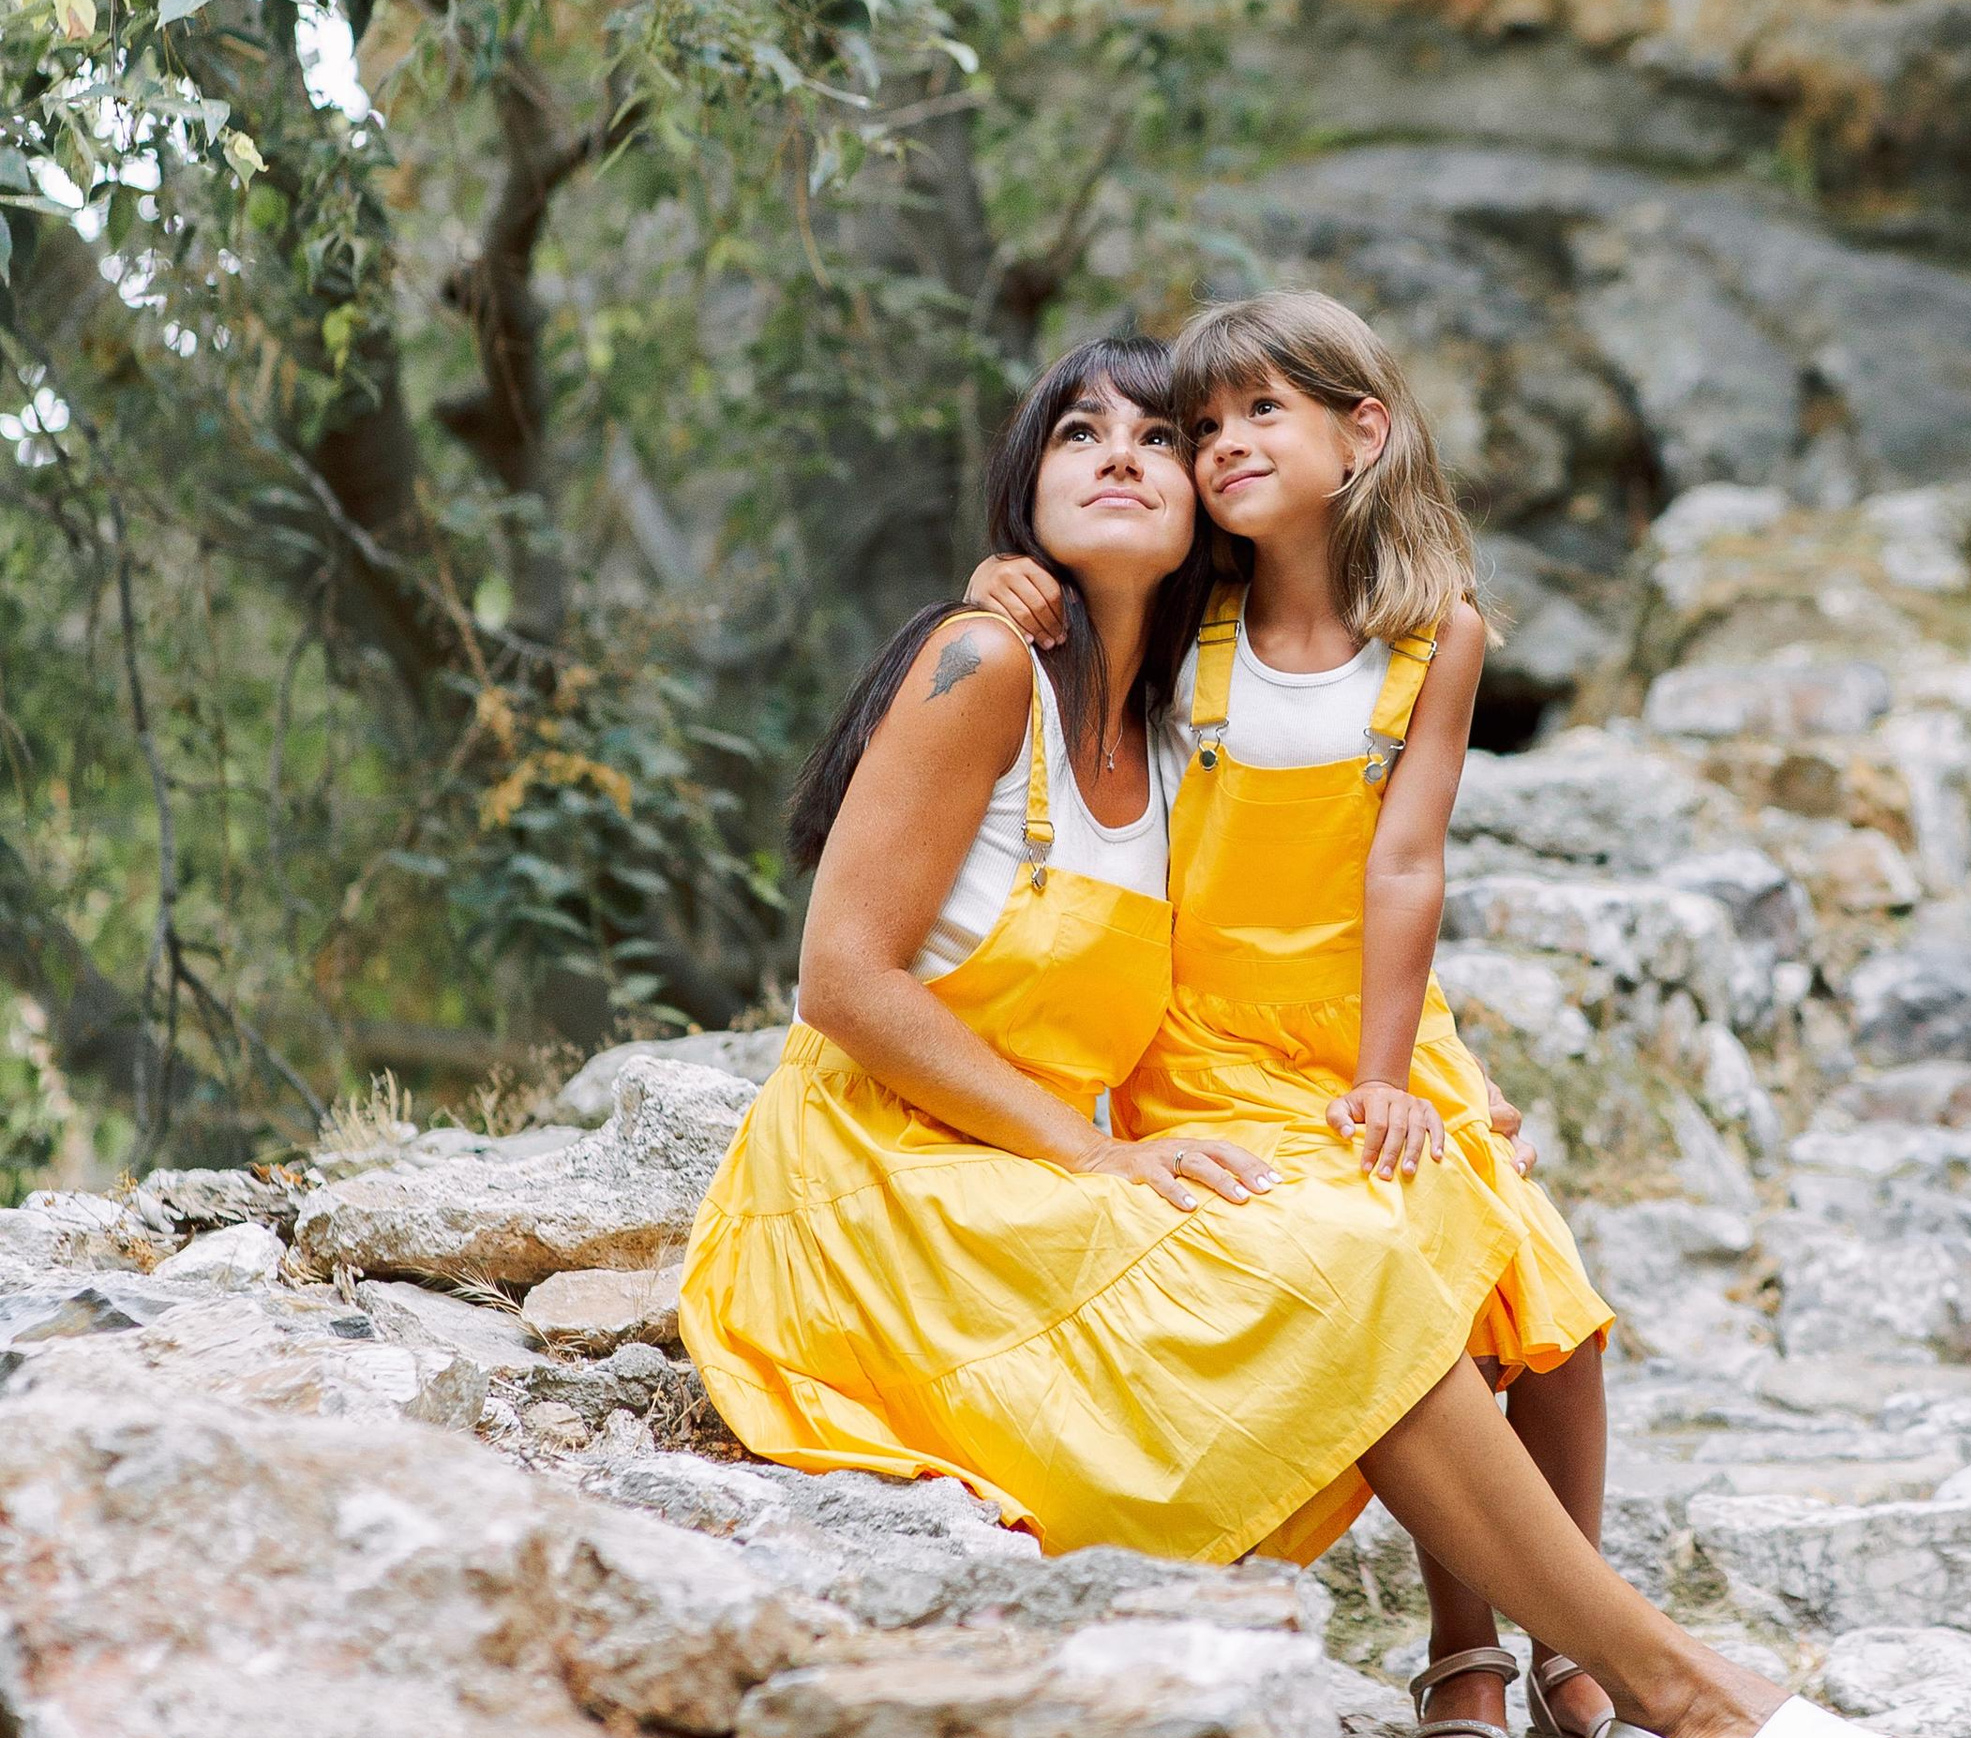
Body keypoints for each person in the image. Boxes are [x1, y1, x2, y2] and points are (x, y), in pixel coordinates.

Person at [684, 335, 1849, 1738]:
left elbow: (1325, 910)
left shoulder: (1179, 724)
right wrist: (1093, 1157)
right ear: (1022, 491)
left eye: (1152, 439)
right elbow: (842, 984)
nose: (1120, 455)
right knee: (1329, 1263)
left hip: (1019, 1176)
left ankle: (1531, 1665)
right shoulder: (985, 660)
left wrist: (1446, 1079)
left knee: (1408, 1227)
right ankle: (1678, 1687)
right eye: (1075, 435)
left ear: (1205, 516)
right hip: (871, 1190)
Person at [965, 293, 1612, 1738]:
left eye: (1264, 412)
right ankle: (1465, 1652)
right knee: (1409, 1290)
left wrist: (1401, 1075)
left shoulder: (1433, 639)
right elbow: (1072, 599)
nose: (1221, 446)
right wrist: (998, 580)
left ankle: (1577, 1627)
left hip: (1372, 1035)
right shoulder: (1197, 613)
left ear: (1360, 431)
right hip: (1208, 1047)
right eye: (1204, 427)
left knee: (1551, 1313)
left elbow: (1405, 863)